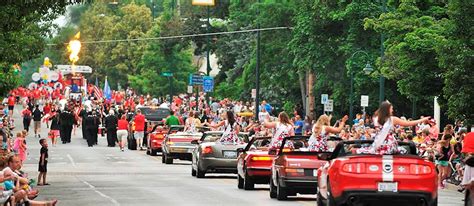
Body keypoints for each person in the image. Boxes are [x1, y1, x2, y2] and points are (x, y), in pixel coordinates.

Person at [357, 101, 430, 155]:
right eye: (391, 108)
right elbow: (409, 123)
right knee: (406, 151)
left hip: (378, 144)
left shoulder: (375, 118)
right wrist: (423, 119)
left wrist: (385, 105)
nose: (392, 110)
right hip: (389, 144)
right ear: (387, 109)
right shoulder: (392, 119)